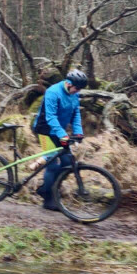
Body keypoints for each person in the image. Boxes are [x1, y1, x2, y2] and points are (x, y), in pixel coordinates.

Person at [32, 69, 88, 211]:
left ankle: (48, 188)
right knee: (52, 165)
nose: (78, 91)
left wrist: (78, 132)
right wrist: (62, 134)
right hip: (45, 130)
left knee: (67, 162)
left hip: (58, 131)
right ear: (68, 84)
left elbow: (76, 114)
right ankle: (48, 197)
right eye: (76, 88)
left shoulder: (74, 94)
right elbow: (50, 117)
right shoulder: (53, 92)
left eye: (80, 89)